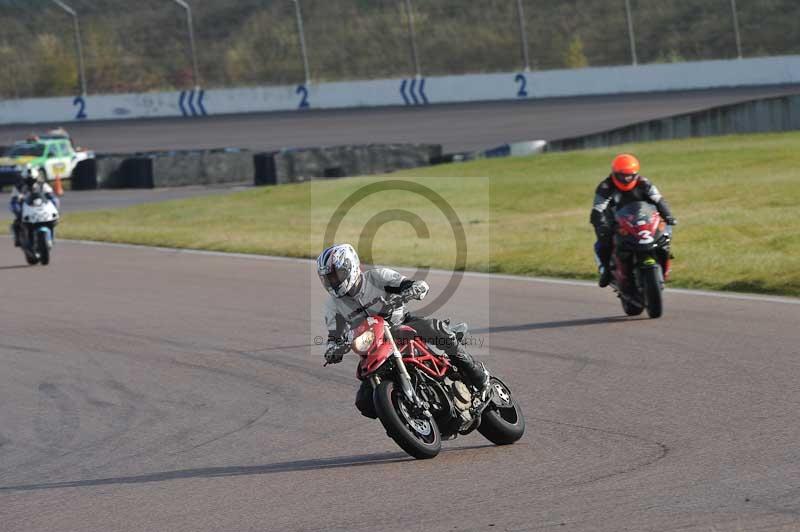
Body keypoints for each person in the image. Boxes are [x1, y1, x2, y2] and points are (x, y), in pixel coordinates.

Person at [317, 243, 490, 419]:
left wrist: (414, 288)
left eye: (336, 275)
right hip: (373, 345)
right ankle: (404, 412)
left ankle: (478, 375)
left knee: (436, 330)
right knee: (364, 403)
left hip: (401, 324)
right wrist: (333, 350)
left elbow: (407, 283)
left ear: (350, 266)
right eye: (328, 278)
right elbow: (334, 336)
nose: (333, 281)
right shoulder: (333, 306)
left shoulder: (377, 277)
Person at [590, 154, 677, 287]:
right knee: (603, 242)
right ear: (614, 173)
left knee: (665, 233)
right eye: (622, 176)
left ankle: (664, 263)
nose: (626, 179)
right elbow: (597, 209)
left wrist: (668, 216)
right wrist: (601, 224)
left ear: (636, 174)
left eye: (629, 175)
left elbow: (659, 200)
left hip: (642, 218)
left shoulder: (644, 183)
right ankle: (605, 270)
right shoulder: (605, 187)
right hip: (615, 220)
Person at [9, 165, 59, 247]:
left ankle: (51, 238)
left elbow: (52, 197)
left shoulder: (42, 185)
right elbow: (13, 202)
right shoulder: (18, 187)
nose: (31, 182)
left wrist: (54, 207)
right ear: (24, 179)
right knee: (16, 223)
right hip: (26, 210)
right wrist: (17, 210)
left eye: (32, 180)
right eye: (28, 180)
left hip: (41, 208)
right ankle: (18, 239)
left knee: (53, 220)